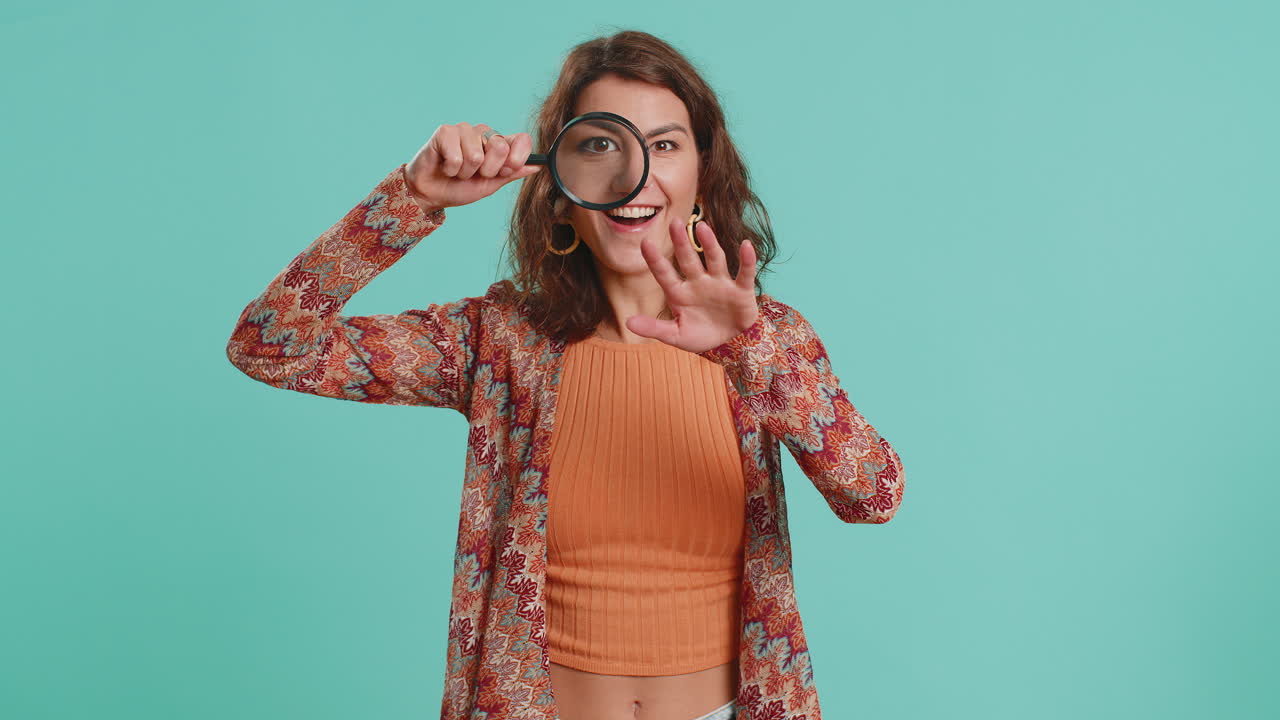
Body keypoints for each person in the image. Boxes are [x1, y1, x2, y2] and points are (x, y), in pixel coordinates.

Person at [226, 30, 904, 720]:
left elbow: (874, 493)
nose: (628, 176)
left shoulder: (769, 341)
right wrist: (409, 198)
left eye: (664, 145)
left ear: (703, 174)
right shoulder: (500, 342)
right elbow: (271, 346)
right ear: (558, 188)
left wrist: (750, 351)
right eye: (599, 145)